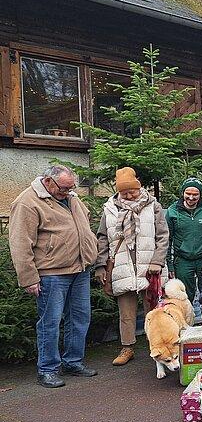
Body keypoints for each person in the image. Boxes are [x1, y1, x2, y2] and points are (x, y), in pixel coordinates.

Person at [9, 166, 99, 388]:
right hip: (51, 273)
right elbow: (20, 243)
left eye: (71, 187)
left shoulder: (71, 197)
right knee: (50, 322)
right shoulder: (27, 202)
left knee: (80, 318)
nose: (68, 192)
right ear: (48, 182)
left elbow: (83, 225)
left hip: (80, 269)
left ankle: (73, 362)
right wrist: (29, 278)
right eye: (64, 188)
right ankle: (47, 369)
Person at [95, 167, 169, 367]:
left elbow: (163, 235)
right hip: (122, 266)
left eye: (132, 191)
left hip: (149, 266)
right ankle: (127, 347)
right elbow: (102, 238)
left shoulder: (153, 205)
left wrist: (157, 261)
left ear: (139, 187)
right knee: (126, 313)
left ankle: (157, 344)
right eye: (124, 192)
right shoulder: (110, 209)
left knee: (154, 310)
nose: (128, 195)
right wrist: (101, 265)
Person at [165, 177, 202, 302]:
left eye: (195, 194)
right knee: (184, 294)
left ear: (200, 195)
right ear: (182, 193)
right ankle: (186, 320)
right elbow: (167, 240)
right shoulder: (172, 211)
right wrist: (170, 266)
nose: (191, 197)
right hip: (182, 259)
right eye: (188, 194)